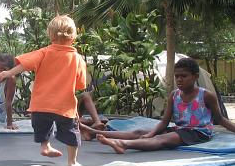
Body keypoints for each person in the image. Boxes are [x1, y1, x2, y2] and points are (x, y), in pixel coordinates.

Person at [0, 15, 86, 166]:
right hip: (64, 106)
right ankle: (72, 162)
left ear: (51, 35)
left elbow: (25, 64)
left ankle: (45, 146)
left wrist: (9, 72)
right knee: (72, 133)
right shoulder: (77, 59)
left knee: (43, 127)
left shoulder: (44, 52)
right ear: (73, 36)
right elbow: (80, 85)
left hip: (41, 105)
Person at [95, 58, 235, 153]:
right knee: (140, 132)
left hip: (198, 133)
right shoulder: (174, 95)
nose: (179, 79)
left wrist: (153, 135)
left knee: (161, 139)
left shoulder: (206, 95)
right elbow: (164, 122)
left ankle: (122, 144)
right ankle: (96, 132)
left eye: (184, 76)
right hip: (179, 129)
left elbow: (221, 119)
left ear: (195, 77)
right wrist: (150, 132)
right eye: (177, 76)